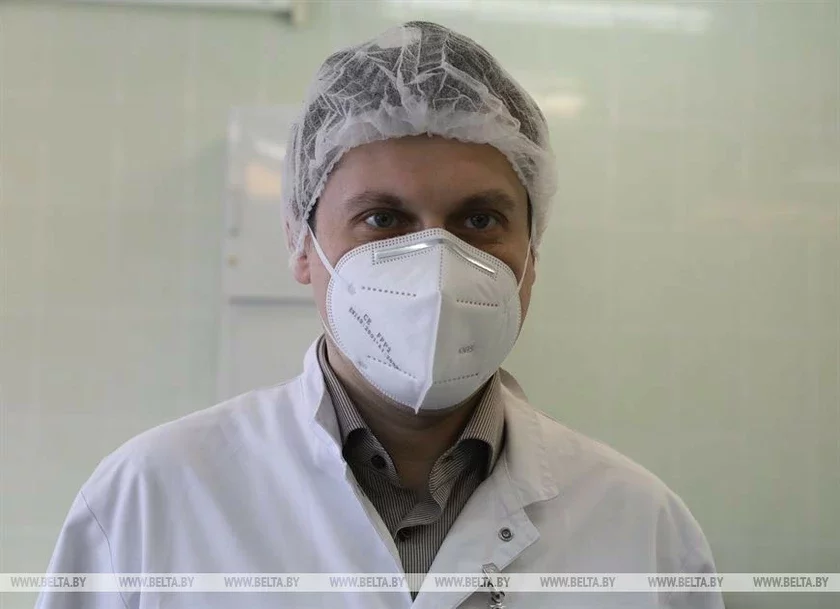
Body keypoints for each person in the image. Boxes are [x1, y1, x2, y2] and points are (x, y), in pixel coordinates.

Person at [36, 21, 723, 609]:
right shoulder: (150, 499)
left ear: (532, 256)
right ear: (302, 247)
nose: (435, 266)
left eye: (480, 220)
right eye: (383, 219)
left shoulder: (644, 529)